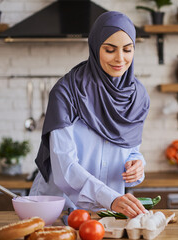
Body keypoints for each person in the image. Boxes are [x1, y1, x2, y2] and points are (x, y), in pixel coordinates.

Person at [30, 11, 150, 218]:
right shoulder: (67, 92)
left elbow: (130, 149)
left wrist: (138, 164)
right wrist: (109, 198)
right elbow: (64, 166)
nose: (120, 59)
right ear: (95, 48)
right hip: (58, 209)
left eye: (128, 49)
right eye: (110, 50)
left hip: (108, 212)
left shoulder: (136, 96)